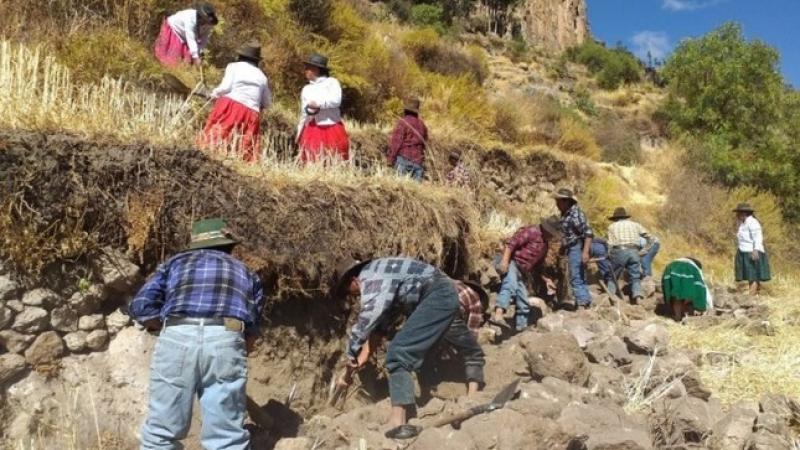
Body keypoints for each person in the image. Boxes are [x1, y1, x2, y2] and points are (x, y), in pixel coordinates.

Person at [130, 218, 265, 450]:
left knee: (161, 433)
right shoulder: (246, 273)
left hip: (177, 333)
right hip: (227, 335)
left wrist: (162, 326)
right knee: (228, 437)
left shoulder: (175, 263)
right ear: (228, 246)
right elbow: (251, 329)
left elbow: (141, 305)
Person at [333, 257, 470, 440]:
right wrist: (363, 355)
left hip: (437, 296)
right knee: (422, 354)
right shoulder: (384, 276)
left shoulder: (371, 276)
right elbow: (381, 325)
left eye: (350, 293)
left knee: (397, 353)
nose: (355, 297)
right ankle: (435, 401)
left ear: (353, 281)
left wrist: (351, 353)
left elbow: (370, 315)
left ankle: (398, 420)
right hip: (441, 296)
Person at [197, 42, 272, 162]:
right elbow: (267, 102)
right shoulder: (262, 77)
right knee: (243, 143)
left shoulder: (233, 66)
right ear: (256, 60)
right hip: (251, 113)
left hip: (231, 106)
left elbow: (225, 87)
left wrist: (213, 94)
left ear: (241, 56)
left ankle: (210, 155)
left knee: (219, 133)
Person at [419, 280, 486, 398]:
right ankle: (472, 396)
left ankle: (427, 391)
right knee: (473, 352)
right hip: (447, 310)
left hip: (424, 310)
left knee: (427, 351)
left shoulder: (449, 283)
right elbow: (471, 335)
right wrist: (463, 355)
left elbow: (444, 335)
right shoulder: (475, 299)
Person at [492, 218, 561, 331]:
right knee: (510, 285)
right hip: (512, 263)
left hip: (522, 272)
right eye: (552, 234)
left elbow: (538, 267)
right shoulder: (532, 231)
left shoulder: (545, 245)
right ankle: (498, 314)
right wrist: (504, 261)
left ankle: (521, 329)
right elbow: (511, 244)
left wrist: (547, 280)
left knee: (523, 300)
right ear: (546, 229)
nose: (552, 236)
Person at [296, 53, 349, 163]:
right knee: (313, 159)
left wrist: (319, 104)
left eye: (308, 68)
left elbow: (336, 100)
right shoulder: (307, 89)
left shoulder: (332, 82)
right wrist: (299, 130)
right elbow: (303, 113)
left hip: (331, 127)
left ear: (316, 69)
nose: (305, 71)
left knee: (333, 158)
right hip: (312, 128)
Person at [554, 188, 594, 308]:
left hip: (576, 247)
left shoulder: (575, 214)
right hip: (571, 247)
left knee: (575, 276)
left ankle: (583, 303)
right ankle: (585, 300)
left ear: (566, 201)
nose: (557, 205)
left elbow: (588, 233)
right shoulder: (566, 213)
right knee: (579, 276)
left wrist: (585, 252)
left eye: (558, 202)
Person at [606, 207, 652, 304]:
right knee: (635, 276)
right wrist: (645, 250)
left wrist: (609, 254)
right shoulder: (635, 225)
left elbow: (610, 244)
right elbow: (650, 237)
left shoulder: (612, 227)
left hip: (619, 251)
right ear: (625, 217)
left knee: (613, 275)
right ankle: (637, 297)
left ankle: (610, 297)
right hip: (634, 251)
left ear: (615, 218)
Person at [154, 3, 218, 67]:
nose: (206, 23)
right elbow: (191, 38)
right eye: (205, 20)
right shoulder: (190, 19)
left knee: (184, 63)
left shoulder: (208, 24)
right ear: (201, 17)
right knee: (169, 60)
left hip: (184, 37)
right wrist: (196, 56)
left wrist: (200, 51)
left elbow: (204, 39)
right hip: (175, 30)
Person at [734, 203, 771, 295]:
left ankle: (751, 297)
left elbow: (758, 237)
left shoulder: (753, 222)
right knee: (750, 275)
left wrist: (755, 250)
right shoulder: (743, 223)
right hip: (743, 250)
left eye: (738, 213)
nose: (737, 215)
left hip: (751, 251)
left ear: (744, 213)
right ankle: (755, 294)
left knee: (753, 275)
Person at [387, 98, 428, 181]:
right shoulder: (422, 125)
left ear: (406, 110)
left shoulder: (403, 122)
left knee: (400, 189)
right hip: (418, 161)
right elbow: (425, 143)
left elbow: (396, 142)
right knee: (416, 192)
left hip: (403, 159)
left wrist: (390, 159)